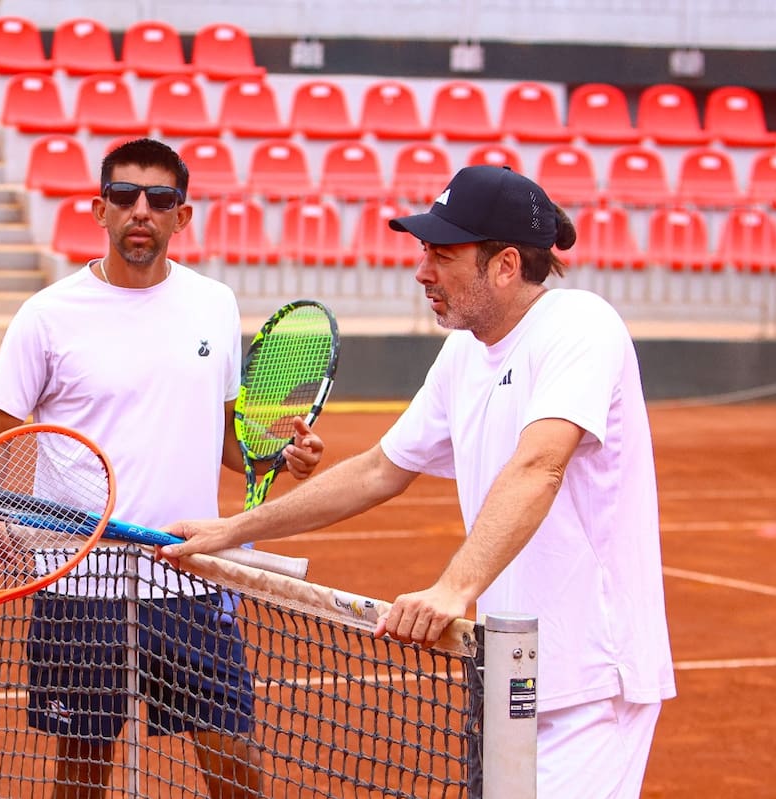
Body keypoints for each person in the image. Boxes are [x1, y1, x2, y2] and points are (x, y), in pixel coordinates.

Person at [162, 165, 676, 798]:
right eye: (423, 251)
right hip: (511, 671)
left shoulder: (580, 327)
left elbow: (540, 464)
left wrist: (453, 588)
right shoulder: (465, 350)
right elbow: (381, 469)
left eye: (442, 254)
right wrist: (230, 529)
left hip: (594, 679)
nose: (422, 271)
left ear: (506, 264)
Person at [0, 137, 323, 799]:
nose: (140, 210)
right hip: (81, 578)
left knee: (234, 763)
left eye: (159, 199)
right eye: (125, 196)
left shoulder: (213, 302)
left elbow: (227, 437)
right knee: (82, 772)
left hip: (192, 573)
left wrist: (277, 454)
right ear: (98, 210)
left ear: (180, 217)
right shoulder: (47, 315)